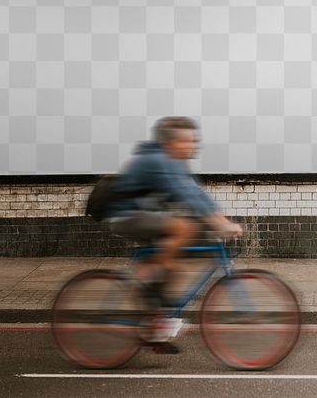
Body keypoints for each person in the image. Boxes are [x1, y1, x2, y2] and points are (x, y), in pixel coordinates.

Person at [103, 116, 242, 351]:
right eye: (188, 141)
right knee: (183, 228)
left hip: (146, 216)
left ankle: (155, 325)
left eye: (194, 140)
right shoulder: (158, 160)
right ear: (171, 143)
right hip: (126, 216)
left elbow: (197, 194)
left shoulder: (174, 163)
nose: (193, 145)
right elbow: (187, 194)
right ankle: (150, 274)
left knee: (175, 260)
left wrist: (221, 221)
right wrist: (221, 224)